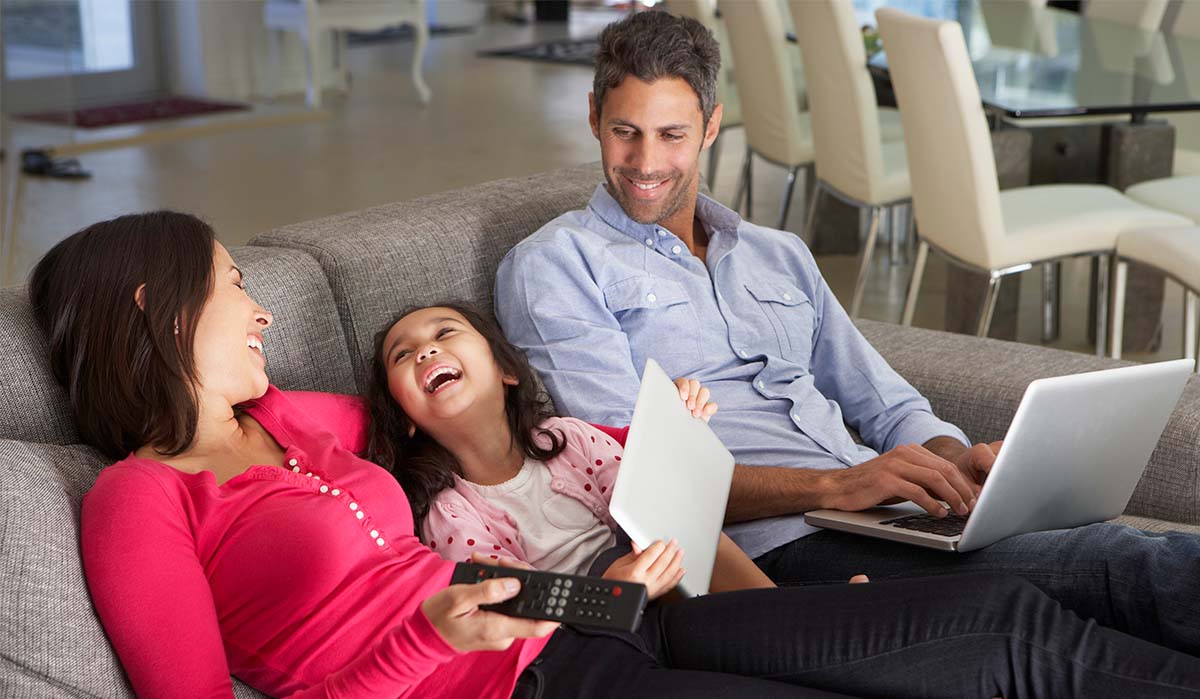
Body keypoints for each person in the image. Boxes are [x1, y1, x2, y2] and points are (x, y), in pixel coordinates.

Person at [34, 212, 1200, 697]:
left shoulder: (298, 421)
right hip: (513, 674)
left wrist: (657, 448)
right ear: (158, 308)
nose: (265, 312)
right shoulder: (137, 501)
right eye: (237, 285)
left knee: (998, 629)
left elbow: (485, 419)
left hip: (589, 602)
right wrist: (417, 643)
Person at [493, 8, 1200, 657]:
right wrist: (837, 484)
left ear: (711, 125)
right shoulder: (556, 266)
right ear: (592, 116)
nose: (646, 163)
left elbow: (886, 405)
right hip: (777, 548)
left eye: (672, 134)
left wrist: (959, 462)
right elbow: (637, 476)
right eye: (626, 132)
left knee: (1109, 565)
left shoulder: (778, 252)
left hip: (880, 512)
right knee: (1123, 564)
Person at [364, 301, 775, 597]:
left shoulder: (570, 438)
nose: (426, 351)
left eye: (445, 332)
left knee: (681, 534)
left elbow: (652, 503)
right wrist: (613, 592)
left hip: (660, 572)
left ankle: (781, 609)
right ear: (406, 418)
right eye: (403, 354)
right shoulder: (449, 512)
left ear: (505, 370)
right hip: (594, 628)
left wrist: (677, 434)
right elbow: (515, 603)